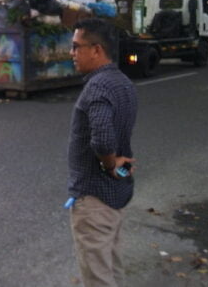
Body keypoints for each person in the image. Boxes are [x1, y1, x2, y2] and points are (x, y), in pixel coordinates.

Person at [67, 18, 138, 287]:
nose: (72, 53)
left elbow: (104, 140)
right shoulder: (122, 82)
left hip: (94, 200)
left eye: (76, 47)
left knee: (98, 278)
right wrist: (118, 169)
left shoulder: (97, 87)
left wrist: (110, 165)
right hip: (115, 196)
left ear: (96, 50)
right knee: (113, 268)